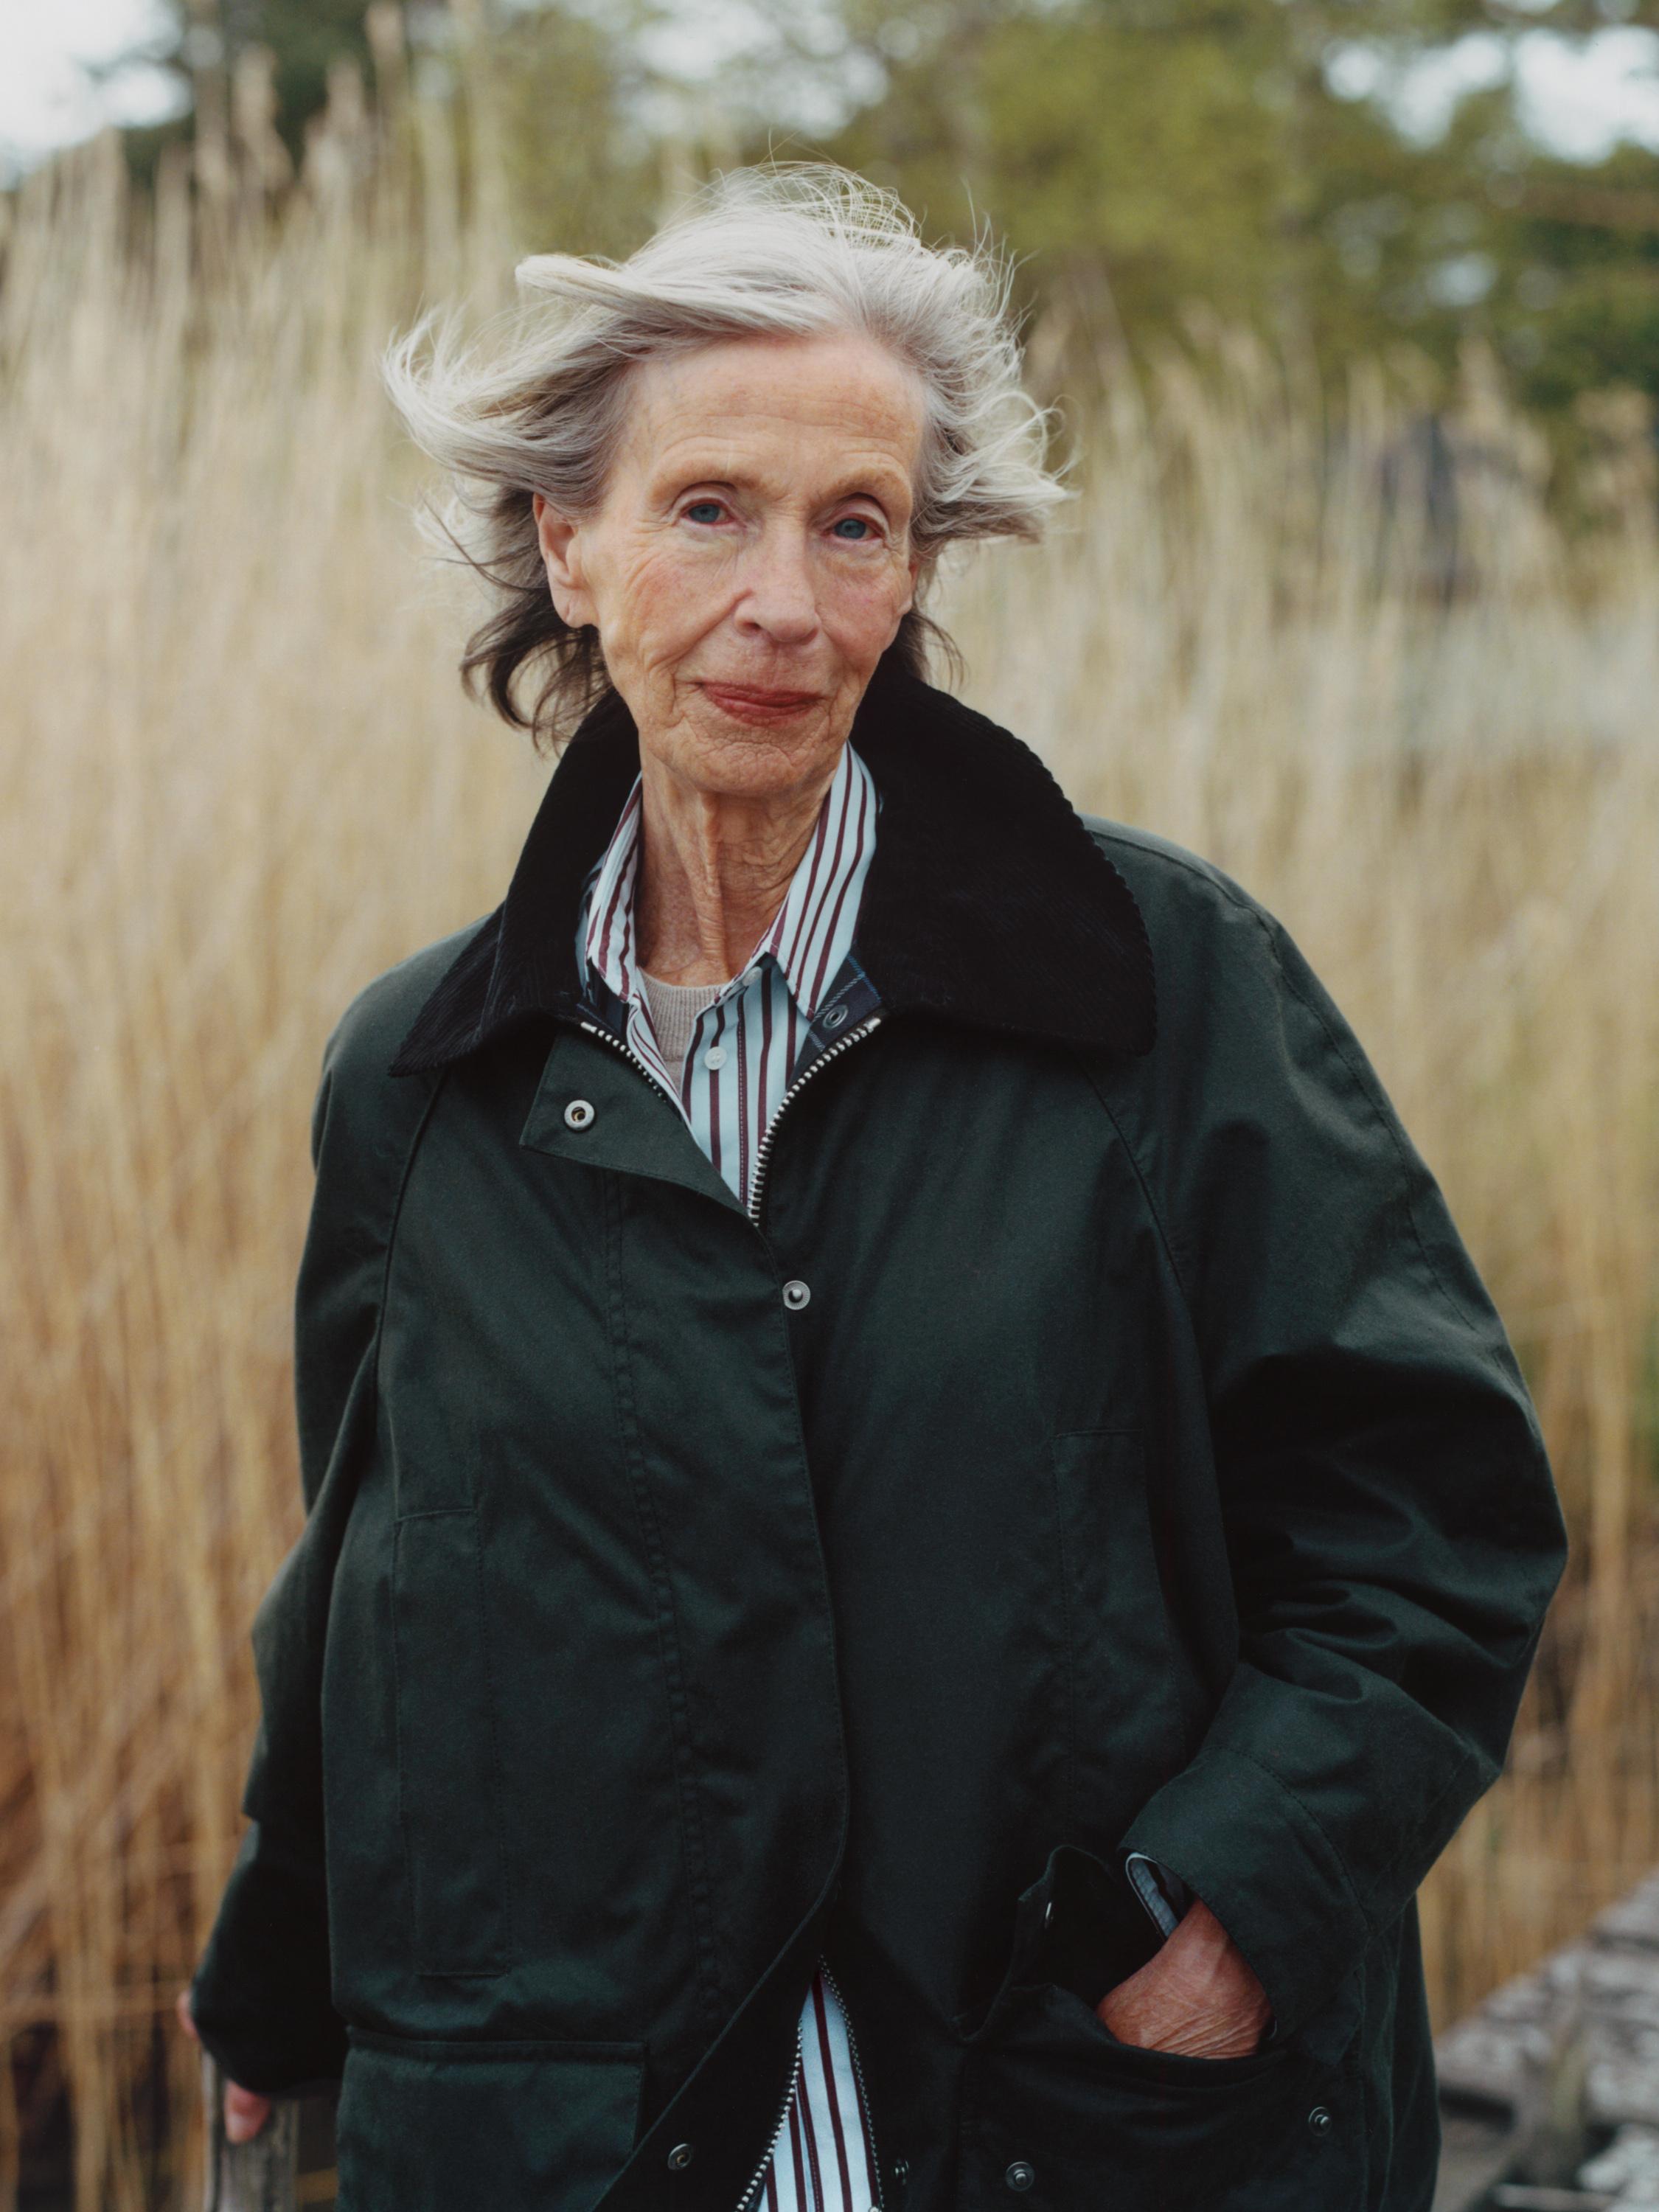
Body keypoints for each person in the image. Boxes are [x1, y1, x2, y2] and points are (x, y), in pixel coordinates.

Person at [181, 164, 1568, 2211]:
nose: (786, 603)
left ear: (915, 572)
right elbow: (371, 1610)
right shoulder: (423, 1073)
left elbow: (1427, 1519)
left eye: (856, 525)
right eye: (707, 510)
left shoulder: (1156, 985)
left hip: (1062, 2126)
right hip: (574, 2139)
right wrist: (279, 1989)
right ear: (569, 546)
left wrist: (1220, 1926)